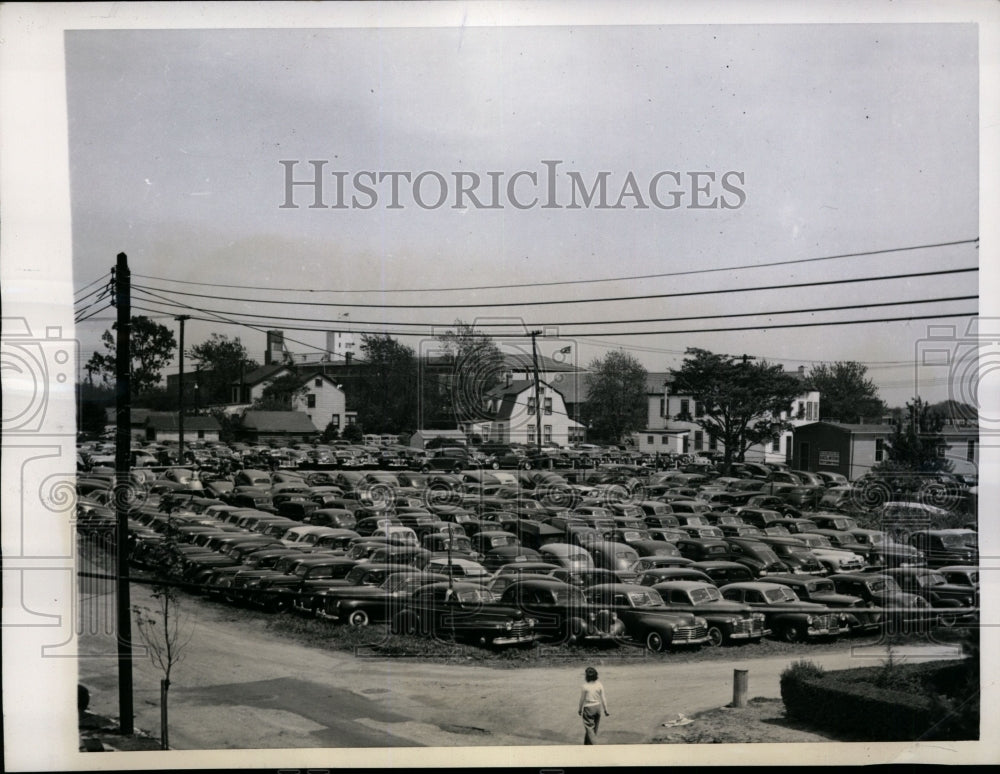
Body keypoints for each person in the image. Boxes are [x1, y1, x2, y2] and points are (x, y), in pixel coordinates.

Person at [578, 666, 609, 744]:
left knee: (589, 729)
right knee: (593, 729)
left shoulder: (585, 686)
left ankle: (595, 747)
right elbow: (603, 698)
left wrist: (580, 709)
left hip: (588, 708)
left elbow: (582, 699)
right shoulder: (599, 685)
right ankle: (587, 745)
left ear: (586, 676)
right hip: (598, 708)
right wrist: (605, 709)